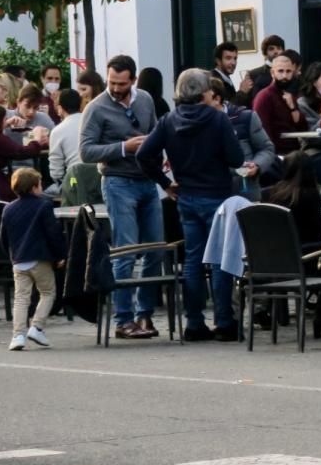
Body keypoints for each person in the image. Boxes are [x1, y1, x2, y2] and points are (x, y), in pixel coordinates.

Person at [137, 69, 244, 342]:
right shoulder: (218, 119)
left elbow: (143, 154)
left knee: (193, 261)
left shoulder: (168, 120)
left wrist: (164, 182)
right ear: (204, 92)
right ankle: (224, 321)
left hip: (186, 196)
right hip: (217, 196)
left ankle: (194, 322)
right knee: (219, 260)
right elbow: (235, 158)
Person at [79, 54, 162, 340]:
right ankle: (123, 318)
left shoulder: (146, 100)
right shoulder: (96, 108)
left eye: (122, 84)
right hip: (117, 181)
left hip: (147, 181)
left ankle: (145, 314)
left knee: (156, 249)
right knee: (126, 250)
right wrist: (124, 147)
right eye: (112, 82)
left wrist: (158, 153)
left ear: (133, 80)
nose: (115, 88)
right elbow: (86, 151)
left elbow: (154, 132)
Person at [265, 152, 321, 339]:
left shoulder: (272, 194)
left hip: (273, 262)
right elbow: (316, 233)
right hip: (304, 260)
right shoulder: (311, 196)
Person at [0, 168, 67, 351]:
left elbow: (3, 237)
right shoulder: (43, 205)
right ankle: (36, 327)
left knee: (21, 298)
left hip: (18, 260)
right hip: (39, 258)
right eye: (40, 184)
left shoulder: (8, 208)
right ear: (34, 187)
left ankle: (18, 335)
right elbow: (52, 233)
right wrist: (60, 255)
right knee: (47, 292)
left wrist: (11, 256)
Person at [209, 77, 275, 202]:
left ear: (217, 99)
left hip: (245, 194)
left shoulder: (245, 117)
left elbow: (267, 149)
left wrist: (257, 165)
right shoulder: (199, 122)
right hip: (212, 197)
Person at [251, 52, 304, 155]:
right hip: (276, 155)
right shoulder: (264, 97)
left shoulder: (290, 97)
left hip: (295, 151)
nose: (284, 75)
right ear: (272, 73)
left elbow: (303, 128)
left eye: (288, 71)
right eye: (280, 71)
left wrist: (293, 108)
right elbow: (262, 133)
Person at [47, 88, 84, 195]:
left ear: (60, 108)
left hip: (74, 182)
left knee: (42, 194)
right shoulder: (92, 122)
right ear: (80, 105)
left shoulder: (57, 131)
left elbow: (56, 172)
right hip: (98, 180)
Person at [245, 34, 285, 105]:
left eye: (279, 48)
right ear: (265, 52)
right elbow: (249, 100)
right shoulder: (253, 74)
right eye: (271, 49)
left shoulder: (288, 72)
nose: (276, 51)